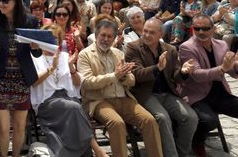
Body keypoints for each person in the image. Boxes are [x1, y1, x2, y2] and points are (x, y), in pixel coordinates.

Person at [78, 19, 163, 157]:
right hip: (99, 100)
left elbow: (131, 81)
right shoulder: (85, 54)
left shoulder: (118, 54)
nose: (106, 39)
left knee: (149, 120)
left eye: (110, 36)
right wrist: (115, 76)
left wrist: (124, 77)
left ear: (114, 38)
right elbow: (87, 83)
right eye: (103, 35)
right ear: (96, 34)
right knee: (116, 123)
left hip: (123, 98)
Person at [31, 24, 107, 157]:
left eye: (55, 38)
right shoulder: (35, 58)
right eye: (48, 38)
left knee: (74, 108)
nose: (51, 41)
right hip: (47, 102)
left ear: (59, 42)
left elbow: (78, 83)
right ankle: (98, 150)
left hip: (68, 99)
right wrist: (52, 68)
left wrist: (71, 67)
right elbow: (34, 83)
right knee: (75, 108)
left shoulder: (65, 56)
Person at [125, 18, 198, 157]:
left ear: (161, 34)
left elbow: (175, 76)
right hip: (146, 94)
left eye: (151, 32)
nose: (146, 35)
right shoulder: (133, 48)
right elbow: (137, 74)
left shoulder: (170, 49)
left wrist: (183, 71)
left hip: (167, 93)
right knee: (162, 118)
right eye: (145, 31)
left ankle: (181, 153)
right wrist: (157, 68)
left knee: (190, 117)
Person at [0, 0, 39, 157]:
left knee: (20, 125)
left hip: (21, 79)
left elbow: (36, 53)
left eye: (5, 0)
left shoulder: (30, 20)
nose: (1, 3)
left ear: (16, 1)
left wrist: (36, 47)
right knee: (3, 126)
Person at [178, 14, 238, 157]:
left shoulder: (222, 44)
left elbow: (229, 68)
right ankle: (197, 141)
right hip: (196, 95)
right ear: (192, 29)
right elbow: (197, 75)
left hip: (220, 93)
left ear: (213, 29)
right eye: (197, 28)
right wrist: (222, 68)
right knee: (208, 121)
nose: (201, 32)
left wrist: (235, 66)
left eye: (205, 28)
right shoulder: (186, 47)